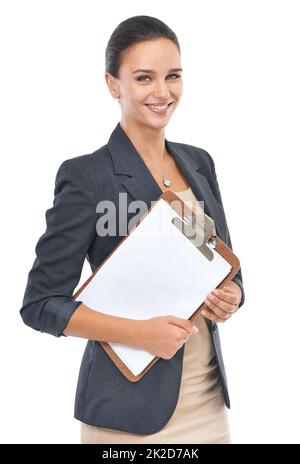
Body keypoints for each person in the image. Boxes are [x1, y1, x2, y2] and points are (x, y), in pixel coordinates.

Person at [19, 15, 245, 444]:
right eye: (144, 78)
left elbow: (222, 265)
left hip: (208, 404)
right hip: (127, 418)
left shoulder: (198, 163)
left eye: (173, 76)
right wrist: (142, 334)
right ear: (113, 84)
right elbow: (40, 304)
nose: (163, 92)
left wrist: (230, 296)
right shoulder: (88, 177)